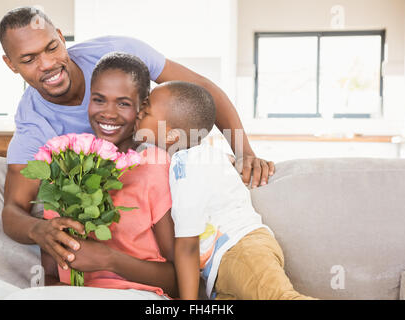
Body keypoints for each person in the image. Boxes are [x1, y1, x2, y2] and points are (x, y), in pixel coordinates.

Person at [0, 6, 275, 273]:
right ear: (10, 65)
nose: (47, 63)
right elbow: (14, 209)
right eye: (28, 59)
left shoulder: (116, 53)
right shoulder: (33, 124)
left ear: (60, 35)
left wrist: (243, 151)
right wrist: (37, 230)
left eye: (51, 47)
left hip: (163, 175)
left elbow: (200, 89)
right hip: (132, 208)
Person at [135, 81, 316, 300]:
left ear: (172, 135)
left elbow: (187, 245)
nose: (137, 115)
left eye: (145, 113)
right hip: (221, 272)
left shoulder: (187, 164)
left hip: (241, 251)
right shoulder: (202, 157)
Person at [41, 52, 177, 297]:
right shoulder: (65, 164)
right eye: (99, 100)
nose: (108, 113)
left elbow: (179, 278)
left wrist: (110, 259)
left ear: (142, 107)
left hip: (138, 294)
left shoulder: (155, 167)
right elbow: (49, 275)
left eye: (123, 103)